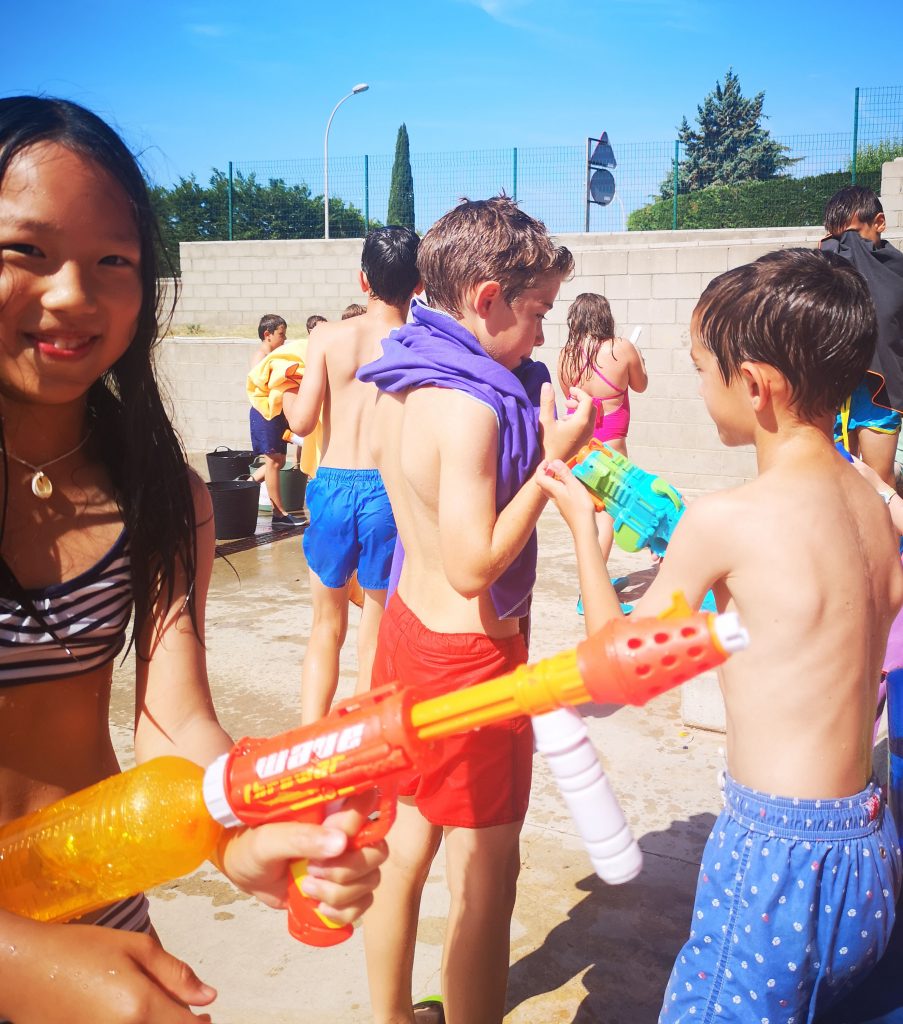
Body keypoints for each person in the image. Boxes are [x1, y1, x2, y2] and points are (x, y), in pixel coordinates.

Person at [0, 96, 386, 1024]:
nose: (73, 295)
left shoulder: (161, 493)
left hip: (100, 906)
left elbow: (172, 718)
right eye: (26, 250)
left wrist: (239, 830)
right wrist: (21, 962)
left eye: (113, 261)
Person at [537, 248, 903, 1022]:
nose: (700, 385)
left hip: (775, 856)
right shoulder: (877, 508)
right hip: (870, 849)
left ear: (755, 386)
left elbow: (615, 673)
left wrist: (581, 529)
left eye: (702, 369)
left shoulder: (724, 521)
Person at [356, 196, 594, 1024]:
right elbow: (470, 566)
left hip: (405, 636)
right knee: (487, 880)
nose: (540, 337)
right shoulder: (470, 408)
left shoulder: (401, 374)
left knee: (402, 848)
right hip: (469, 663)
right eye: (537, 314)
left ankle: (391, 1016)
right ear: (488, 297)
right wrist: (549, 468)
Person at [282, 226, 421, 725]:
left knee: (326, 625)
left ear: (363, 280)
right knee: (375, 632)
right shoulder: (420, 342)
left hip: (334, 485)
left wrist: (284, 396)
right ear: (419, 284)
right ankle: (361, 739)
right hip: (389, 490)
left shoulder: (327, 336)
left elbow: (302, 423)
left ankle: (310, 735)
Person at [822, 185, 903, 489]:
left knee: (878, 482)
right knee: (835, 480)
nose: (844, 248)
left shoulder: (896, 273)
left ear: (879, 223)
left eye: (852, 237)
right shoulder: (826, 271)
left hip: (880, 394)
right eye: (835, 239)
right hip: (833, 389)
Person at [557, 292, 647, 458]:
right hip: (612, 441)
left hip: (577, 434)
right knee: (616, 475)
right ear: (606, 317)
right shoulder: (622, 347)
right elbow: (640, 386)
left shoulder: (566, 354)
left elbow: (569, 396)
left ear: (575, 320)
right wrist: (639, 358)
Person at [248, 314, 303, 529]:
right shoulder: (261, 357)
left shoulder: (276, 356)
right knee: (272, 462)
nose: (285, 338)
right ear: (267, 334)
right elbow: (263, 384)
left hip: (276, 414)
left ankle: (244, 487)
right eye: (281, 334)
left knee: (278, 461)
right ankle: (279, 514)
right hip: (265, 414)